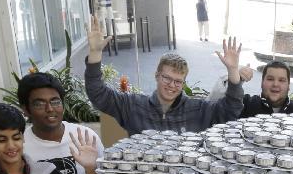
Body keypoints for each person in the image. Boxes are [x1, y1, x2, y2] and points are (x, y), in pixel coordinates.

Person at [85, 16, 244, 135]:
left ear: (183, 84)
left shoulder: (198, 109)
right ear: (157, 76)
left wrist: (233, 70)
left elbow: (231, 110)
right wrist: (95, 53)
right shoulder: (133, 106)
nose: (172, 85)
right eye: (167, 78)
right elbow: (98, 94)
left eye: (178, 81)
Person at [208, 62, 293, 118]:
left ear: (288, 86)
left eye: (282, 80)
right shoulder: (244, 104)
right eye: (270, 79)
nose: (275, 84)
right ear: (262, 82)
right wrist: (234, 80)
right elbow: (211, 107)